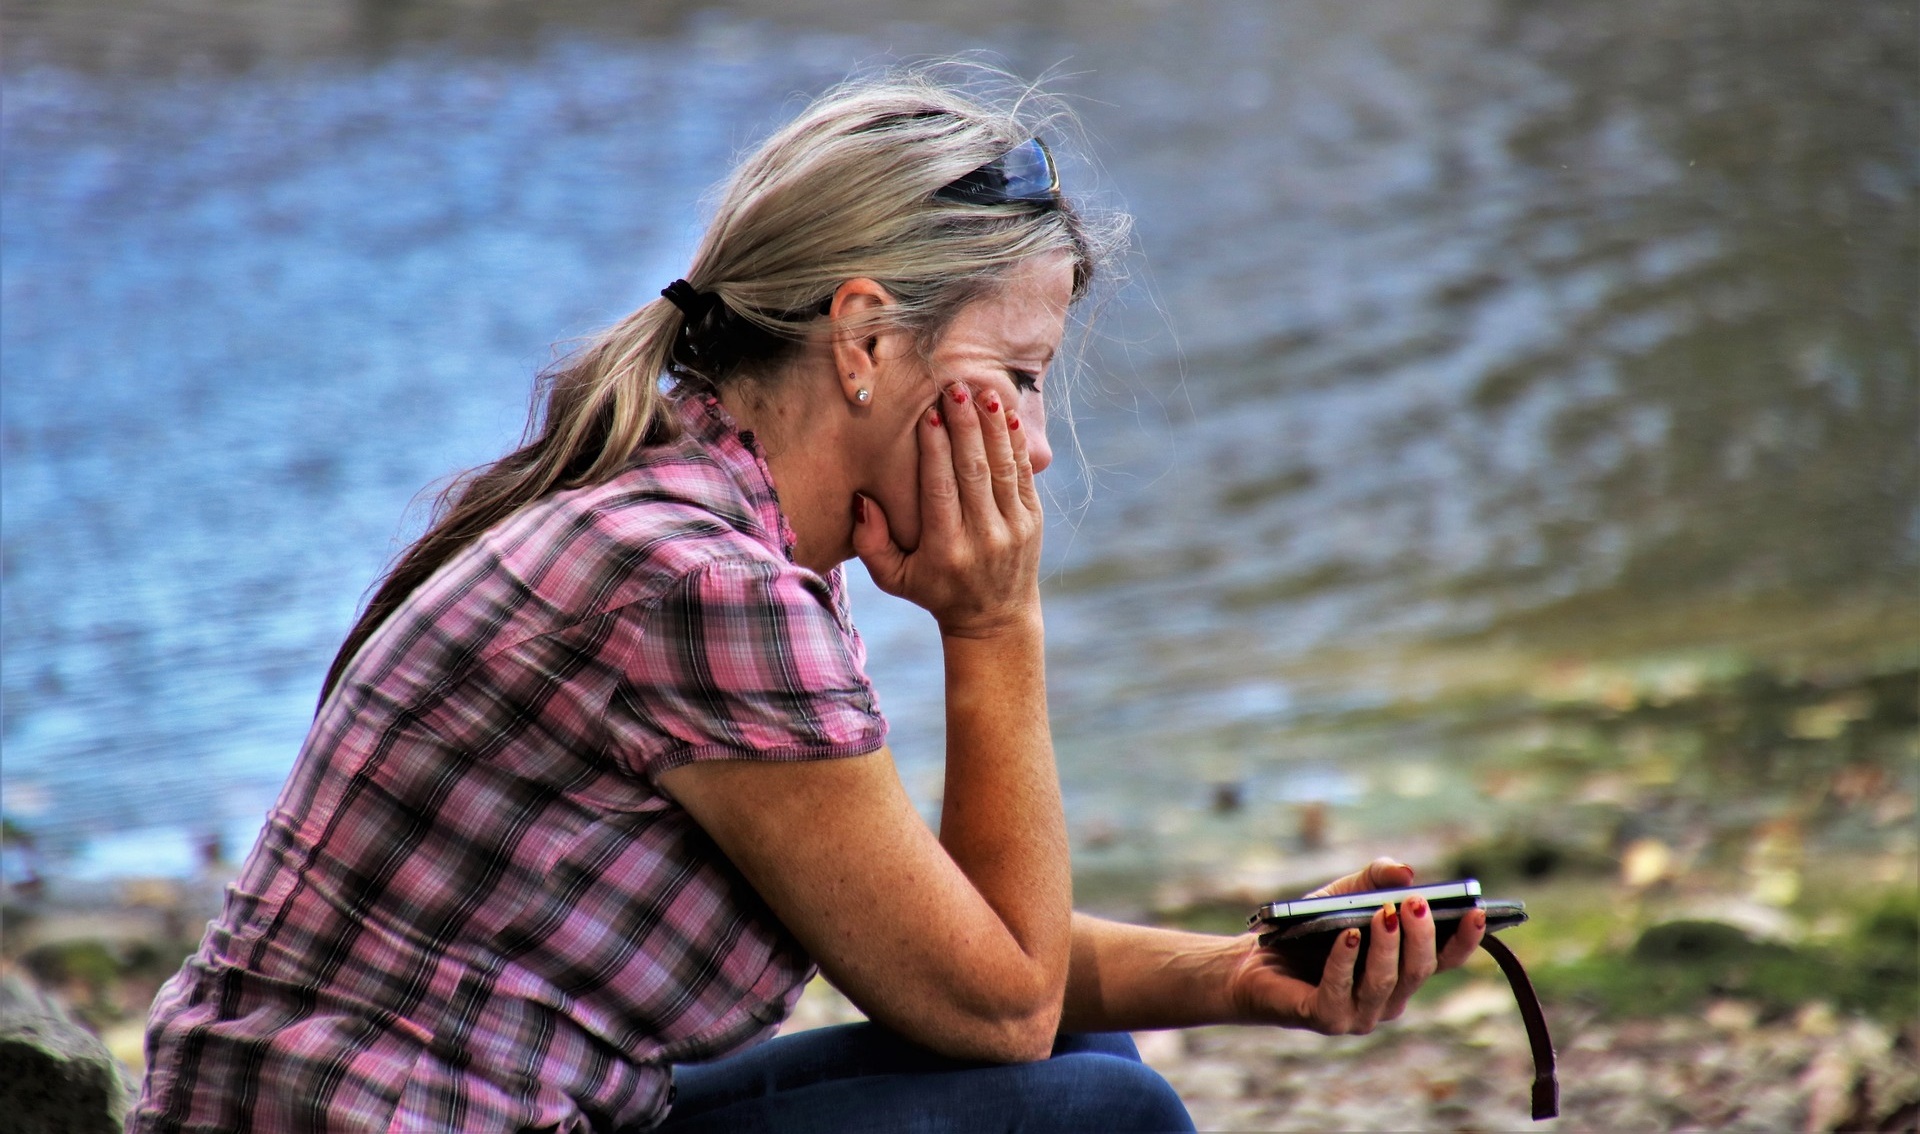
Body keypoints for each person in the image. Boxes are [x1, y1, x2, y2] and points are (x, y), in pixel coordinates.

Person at [132, 68, 1485, 1133]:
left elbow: (959, 954)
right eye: (1015, 377)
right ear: (862, 339)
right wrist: (993, 624)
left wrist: (1244, 973)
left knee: (1088, 1060)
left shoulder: (693, 516)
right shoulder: (706, 586)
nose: (1034, 440)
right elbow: (998, 1000)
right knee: (1093, 1111)